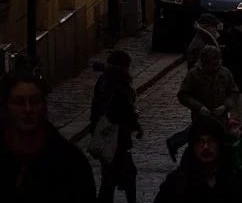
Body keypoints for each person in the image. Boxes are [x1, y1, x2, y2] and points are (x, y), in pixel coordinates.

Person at [0, 59, 97, 203]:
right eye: (19, 102)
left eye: (34, 101)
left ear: (43, 106)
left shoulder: (70, 163)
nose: (28, 110)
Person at [153, 115, 242, 203]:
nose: (205, 147)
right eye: (200, 142)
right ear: (193, 146)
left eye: (211, 141)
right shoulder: (176, 183)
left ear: (219, 144)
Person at [167, 14, 225, 161]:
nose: (216, 31)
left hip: (207, 92)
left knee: (204, 126)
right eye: (213, 27)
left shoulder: (204, 41)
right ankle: (185, 149)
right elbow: (197, 72)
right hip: (202, 93)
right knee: (203, 127)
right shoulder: (201, 45)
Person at [89, 50, 142, 203]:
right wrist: (137, 125)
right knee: (127, 174)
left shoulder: (103, 80)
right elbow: (123, 111)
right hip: (116, 137)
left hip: (104, 133)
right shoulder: (119, 85)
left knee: (109, 176)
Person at [177, 45, 240, 128]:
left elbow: (234, 92)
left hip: (221, 120)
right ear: (204, 63)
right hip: (200, 119)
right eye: (212, 64)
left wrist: (225, 106)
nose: (215, 67)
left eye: (217, 63)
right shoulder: (194, 74)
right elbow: (183, 95)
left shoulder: (225, 73)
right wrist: (199, 107)